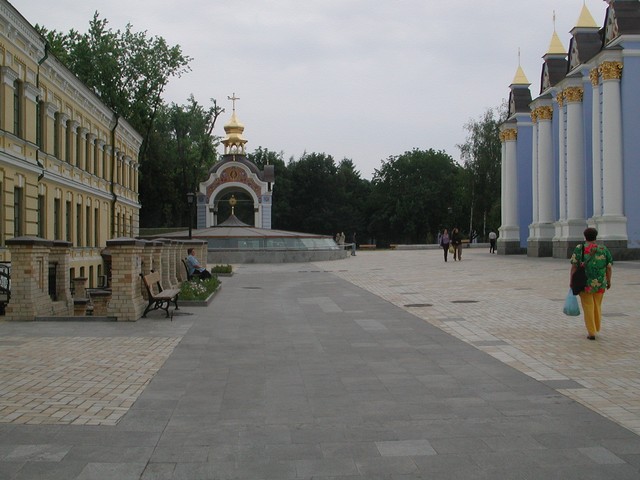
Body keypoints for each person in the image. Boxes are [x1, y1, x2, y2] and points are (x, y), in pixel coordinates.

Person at [569, 227, 613, 340]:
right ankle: (597, 327)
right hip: (600, 282)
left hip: (585, 283)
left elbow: (574, 266)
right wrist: (609, 280)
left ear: (585, 236)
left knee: (588, 306)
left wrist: (571, 281)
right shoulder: (603, 249)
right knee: (597, 305)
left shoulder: (580, 248)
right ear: (596, 236)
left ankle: (591, 332)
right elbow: (609, 267)